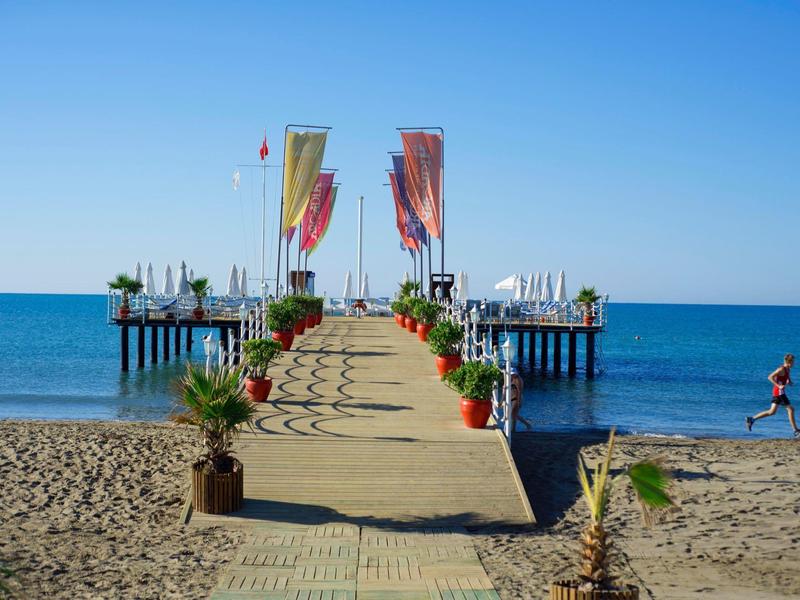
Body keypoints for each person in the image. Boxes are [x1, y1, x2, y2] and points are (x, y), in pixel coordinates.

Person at [746, 354, 799, 438]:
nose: (794, 364)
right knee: (791, 409)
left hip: (778, 392)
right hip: (779, 392)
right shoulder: (781, 369)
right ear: (789, 362)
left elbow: (787, 376)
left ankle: (751, 419)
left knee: (772, 412)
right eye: (793, 362)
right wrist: (778, 385)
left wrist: (789, 381)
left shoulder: (788, 369)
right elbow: (770, 377)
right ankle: (796, 431)